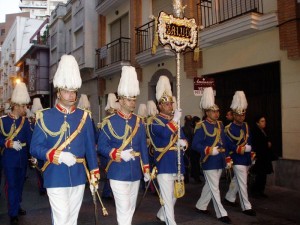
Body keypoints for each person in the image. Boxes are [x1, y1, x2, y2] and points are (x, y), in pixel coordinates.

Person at [30, 55, 100, 225]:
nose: (71, 95)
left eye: (73, 91)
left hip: (78, 175)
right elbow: (34, 148)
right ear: (59, 91)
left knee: (72, 219)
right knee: (61, 218)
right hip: (55, 175)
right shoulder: (45, 116)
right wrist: (57, 155)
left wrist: (94, 172)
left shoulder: (84, 116)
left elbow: (90, 148)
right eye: (67, 91)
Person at [97, 66, 150, 225]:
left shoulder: (139, 121)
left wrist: (146, 168)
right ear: (120, 100)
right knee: (124, 208)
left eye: (134, 99)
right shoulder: (109, 122)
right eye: (129, 99)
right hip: (118, 172)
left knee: (131, 208)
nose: (133, 102)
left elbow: (142, 147)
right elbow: (101, 147)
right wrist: (118, 154)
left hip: (135, 173)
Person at [147, 75, 187, 225]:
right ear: (160, 106)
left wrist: (183, 143)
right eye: (167, 104)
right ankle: (171, 222)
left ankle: (162, 214)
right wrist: (175, 120)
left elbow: (183, 137)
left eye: (171, 104)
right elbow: (163, 135)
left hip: (177, 163)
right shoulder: (154, 121)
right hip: (163, 163)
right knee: (167, 198)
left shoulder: (174, 120)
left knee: (175, 195)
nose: (171, 106)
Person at [192, 87, 232, 224]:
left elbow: (225, 143)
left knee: (210, 186)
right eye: (213, 111)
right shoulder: (201, 126)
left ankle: (201, 205)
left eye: (217, 111)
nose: (216, 113)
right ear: (207, 112)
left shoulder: (220, 125)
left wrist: (227, 157)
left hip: (219, 160)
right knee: (215, 187)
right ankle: (221, 213)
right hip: (208, 160)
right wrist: (208, 150)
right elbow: (195, 145)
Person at [0, 82, 32, 225]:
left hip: (22, 158)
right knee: (12, 185)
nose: (24, 108)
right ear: (16, 106)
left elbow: (30, 139)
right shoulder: (3, 121)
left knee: (19, 184)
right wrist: (8, 143)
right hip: (9, 158)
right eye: (23, 106)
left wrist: (33, 155)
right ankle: (12, 212)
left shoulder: (25, 122)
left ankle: (17, 206)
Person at [224, 91, 256, 216]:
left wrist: (251, 151)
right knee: (243, 183)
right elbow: (228, 144)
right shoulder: (229, 128)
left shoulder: (246, 126)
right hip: (237, 158)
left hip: (247, 158)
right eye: (238, 115)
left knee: (238, 180)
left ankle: (229, 197)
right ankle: (246, 206)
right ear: (234, 115)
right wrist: (240, 149)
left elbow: (250, 140)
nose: (241, 117)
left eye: (243, 115)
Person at [250, 115, 273, 198]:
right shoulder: (255, 131)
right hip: (260, 157)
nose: (264, 123)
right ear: (257, 123)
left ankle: (261, 191)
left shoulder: (263, 130)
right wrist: (266, 144)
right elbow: (256, 144)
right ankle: (256, 191)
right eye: (262, 121)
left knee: (263, 175)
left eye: (264, 121)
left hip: (265, 156)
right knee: (259, 175)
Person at [29, 98, 47, 196]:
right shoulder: (31, 125)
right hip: (36, 150)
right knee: (38, 170)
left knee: (45, 169)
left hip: (43, 149)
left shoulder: (43, 124)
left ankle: (45, 185)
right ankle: (41, 187)